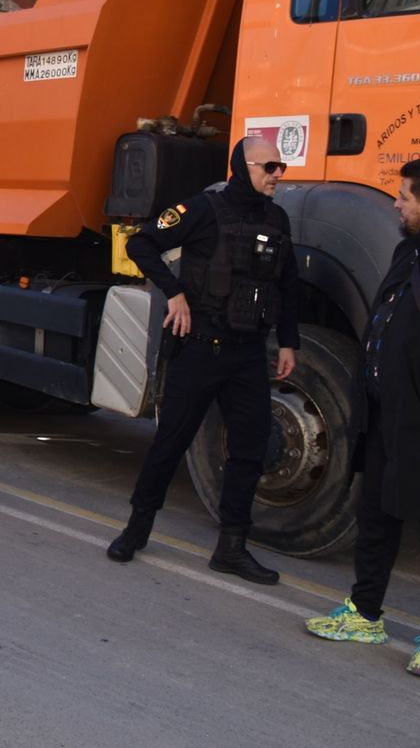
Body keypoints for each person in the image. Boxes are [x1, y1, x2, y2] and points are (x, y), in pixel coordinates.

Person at [106, 137, 299, 585]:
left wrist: (289, 343)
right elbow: (142, 245)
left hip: (248, 354)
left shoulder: (277, 218)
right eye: (269, 166)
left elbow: (288, 284)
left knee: (251, 449)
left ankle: (231, 547)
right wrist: (173, 293)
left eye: (281, 166)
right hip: (199, 349)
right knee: (170, 443)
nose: (277, 175)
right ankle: (136, 530)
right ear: (242, 165)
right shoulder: (204, 210)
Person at [303, 157, 420, 679]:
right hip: (385, 413)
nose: (396, 204)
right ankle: (365, 613)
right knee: (377, 514)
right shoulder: (409, 250)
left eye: (404, 197)